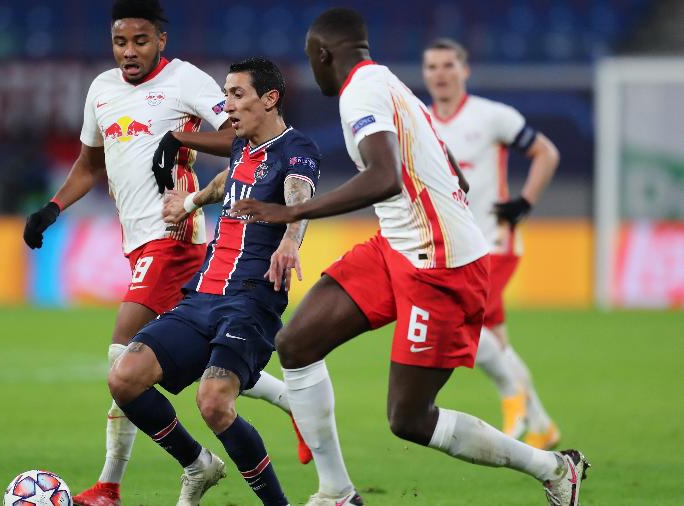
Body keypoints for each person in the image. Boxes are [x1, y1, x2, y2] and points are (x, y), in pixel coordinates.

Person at [233, 8, 589, 506]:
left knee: (410, 419)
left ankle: (554, 469)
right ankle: (337, 493)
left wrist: (288, 210)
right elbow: (451, 171)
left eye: (311, 61)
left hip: (440, 265)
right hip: (398, 244)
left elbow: (385, 177)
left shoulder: (362, 91)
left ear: (323, 54)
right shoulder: (388, 84)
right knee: (296, 343)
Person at [21, 2, 308, 504]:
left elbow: (242, 136)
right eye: (120, 42)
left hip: (173, 236)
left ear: (161, 42)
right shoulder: (102, 91)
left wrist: (180, 137)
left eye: (140, 41)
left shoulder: (186, 81)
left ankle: (117, 484)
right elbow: (90, 165)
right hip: (136, 240)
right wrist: (52, 208)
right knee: (197, 359)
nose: (129, 52)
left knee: (123, 356)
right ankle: (293, 402)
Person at [109, 56, 319, 506]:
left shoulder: (296, 149)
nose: (226, 105)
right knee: (125, 377)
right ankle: (197, 464)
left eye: (236, 95)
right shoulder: (244, 145)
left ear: (270, 99)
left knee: (214, 402)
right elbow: (230, 180)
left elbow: (299, 195)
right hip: (203, 295)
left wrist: (290, 240)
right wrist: (191, 203)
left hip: (251, 300)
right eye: (225, 94)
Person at [422, 38, 562, 448]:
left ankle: (513, 401)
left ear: (465, 70)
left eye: (449, 65)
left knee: (466, 321)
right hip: (454, 249)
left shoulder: (493, 116)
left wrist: (525, 200)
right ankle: (541, 422)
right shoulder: (423, 122)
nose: (441, 74)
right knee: (496, 338)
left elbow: (546, 152)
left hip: (494, 243)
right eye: (432, 66)